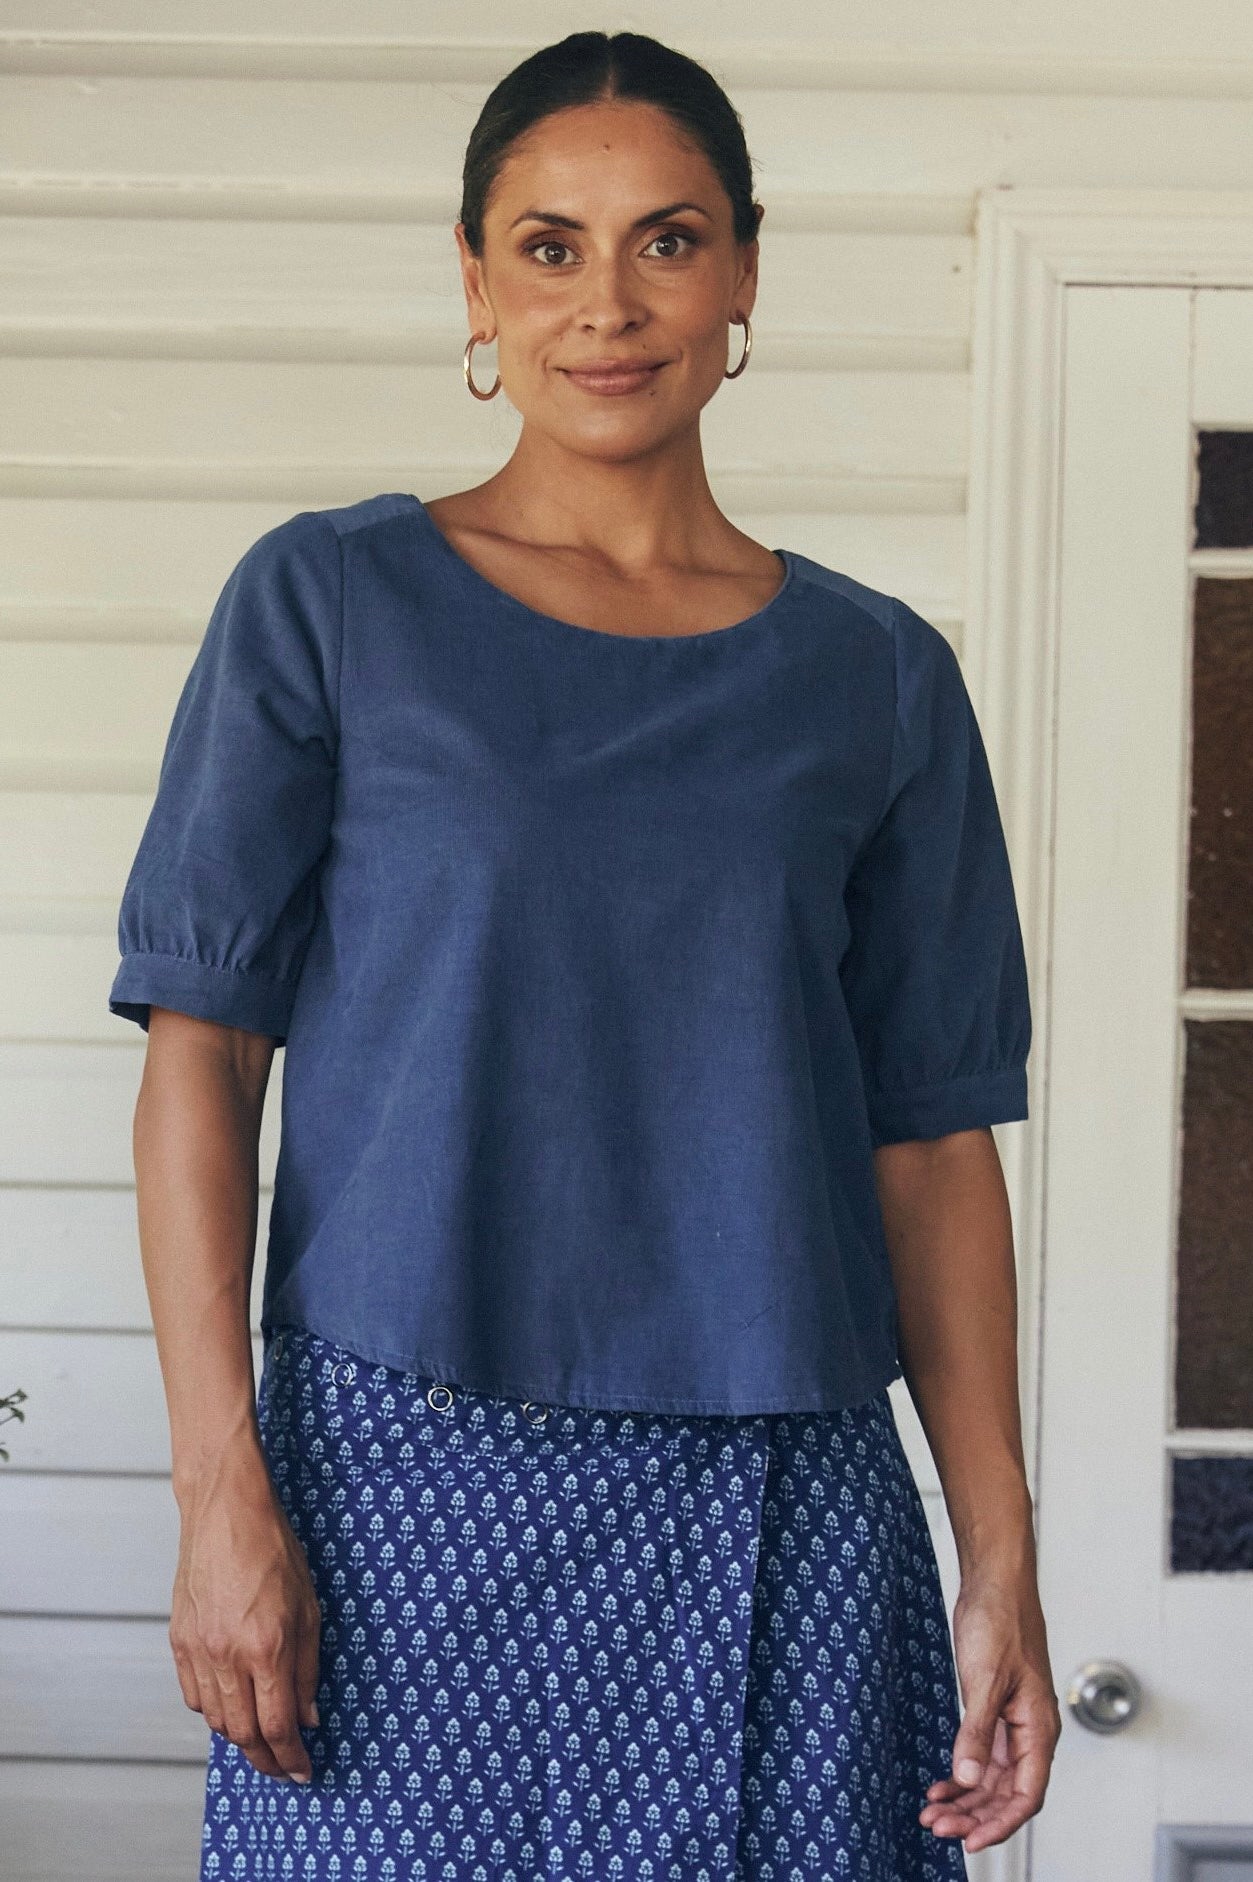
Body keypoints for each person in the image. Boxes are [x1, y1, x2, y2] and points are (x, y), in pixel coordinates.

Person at [109, 29, 1061, 1879]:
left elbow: (932, 1143)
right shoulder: (328, 604)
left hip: (784, 1502)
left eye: (667, 241)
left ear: (744, 274)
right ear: (475, 282)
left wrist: (997, 1551)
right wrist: (219, 1490)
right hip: (391, 1493)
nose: (607, 305)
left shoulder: (875, 678)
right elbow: (199, 1056)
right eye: (548, 246)